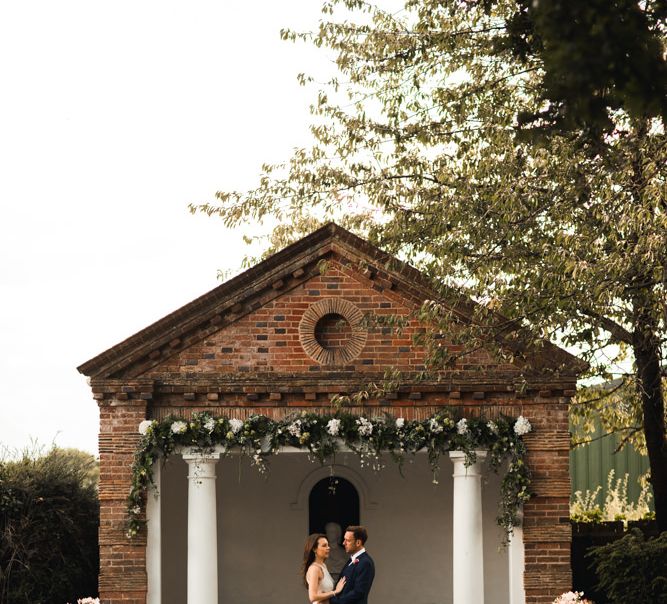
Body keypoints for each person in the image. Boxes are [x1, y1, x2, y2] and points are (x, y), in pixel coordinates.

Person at [329, 526, 375, 604]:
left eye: (348, 540)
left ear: (358, 543)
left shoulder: (366, 562)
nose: (344, 543)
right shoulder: (352, 559)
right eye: (344, 539)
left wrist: (335, 601)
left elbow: (358, 592)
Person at [302, 533, 347, 604]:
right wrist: (335, 592)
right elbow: (312, 597)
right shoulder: (314, 569)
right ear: (314, 549)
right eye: (324, 545)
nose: (328, 547)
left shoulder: (323, 566)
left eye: (328, 545)